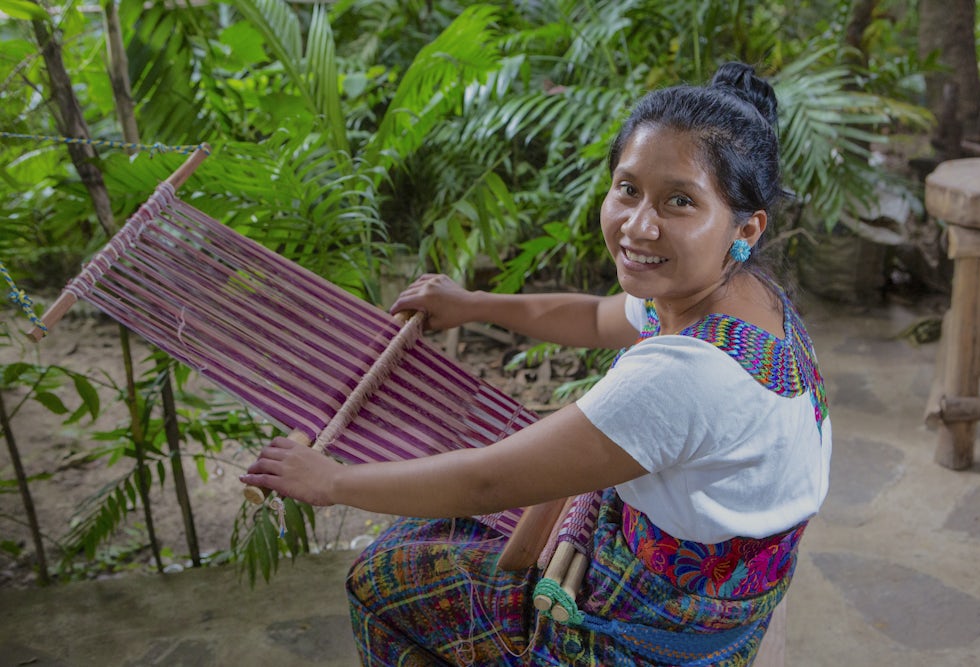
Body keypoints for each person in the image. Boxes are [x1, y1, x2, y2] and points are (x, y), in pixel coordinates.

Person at [241, 61, 832, 666]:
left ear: (746, 228)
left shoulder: (683, 376)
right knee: (435, 534)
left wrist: (330, 482)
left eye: (680, 202)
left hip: (658, 626)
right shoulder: (744, 297)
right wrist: (472, 305)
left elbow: (486, 481)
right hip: (724, 581)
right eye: (628, 189)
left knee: (379, 575)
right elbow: (598, 318)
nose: (638, 224)